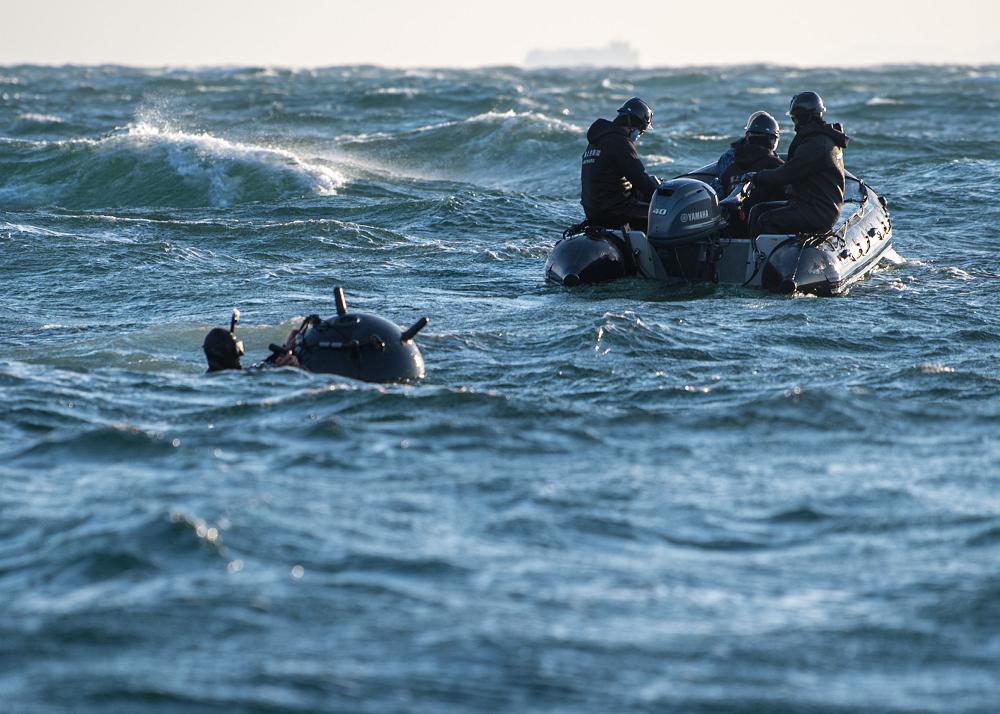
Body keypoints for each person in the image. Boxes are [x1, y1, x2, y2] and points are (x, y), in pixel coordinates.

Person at [747, 92, 849, 237]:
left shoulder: (816, 144)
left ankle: (767, 258)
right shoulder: (822, 137)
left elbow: (788, 173)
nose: (794, 123)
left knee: (766, 220)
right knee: (757, 210)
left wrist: (757, 177)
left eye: (794, 118)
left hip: (818, 211)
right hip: (808, 203)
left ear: (803, 117)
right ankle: (754, 254)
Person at [580, 97, 659, 232]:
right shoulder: (620, 142)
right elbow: (640, 180)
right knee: (662, 215)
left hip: (593, 212)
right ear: (633, 125)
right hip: (615, 212)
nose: (640, 134)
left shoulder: (597, 139)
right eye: (641, 130)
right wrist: (662, 192)